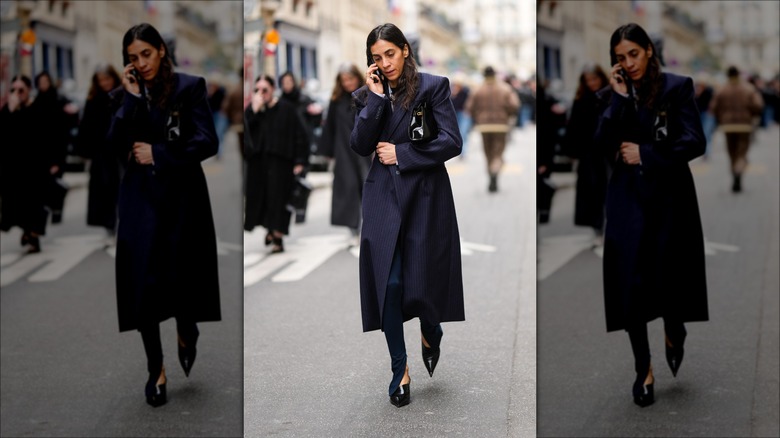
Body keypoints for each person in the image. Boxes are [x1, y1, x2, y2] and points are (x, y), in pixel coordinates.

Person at [107, 23, 221, 407]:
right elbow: (111, 147)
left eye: (146, 54)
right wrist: (131, 99)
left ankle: (187, 329)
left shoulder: (189, 87)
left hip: (182, 199)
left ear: (161, 51)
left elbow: (207, 140)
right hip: (140, 202)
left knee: (182, 277)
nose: (141, 63)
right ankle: (155, 368)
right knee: (143, 285)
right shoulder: (123, 95)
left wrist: (159, 153)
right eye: (133, 58)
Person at [350, 23, 464, 408]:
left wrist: (404, 155)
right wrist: (376, 99)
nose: (385, 63)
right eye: (376, 57)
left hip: (425, 195)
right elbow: (360, 144)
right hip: (383, 196)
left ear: (405, 51)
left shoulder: (433, 87)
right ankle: (400, 369)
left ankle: (431, 328)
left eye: (390, 54)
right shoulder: (367, 95)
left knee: (422, 280)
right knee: (391, 284)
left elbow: (451, 140)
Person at [595, 23, 708, 408]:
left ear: (648, 51)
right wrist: (620, 99)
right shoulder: (611, 95)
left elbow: (694, 140)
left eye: (634, 54)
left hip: (670, 197)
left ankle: (674, 330)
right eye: (620, 58)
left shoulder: (677, 88)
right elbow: (600, 146)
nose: (628, 63)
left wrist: (647, 154)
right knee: (630, 283)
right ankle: (643, 368)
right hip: (627, 200)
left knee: (671, 274)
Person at [243, 75, 309, 253]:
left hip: (282, 164)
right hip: (259, 165)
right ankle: (270, 230)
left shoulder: (286, 109)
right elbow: (246, 135)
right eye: (257, 90)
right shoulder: (254, 111)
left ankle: (278, 237)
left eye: (264, 89)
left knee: (280, 201)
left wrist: (300, 161)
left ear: (272, 89)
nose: (261, 94)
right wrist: (254, 112)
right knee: (264, 200)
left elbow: (300, 136)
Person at [318, 63, 371, 245]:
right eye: (344, 80)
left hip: (365, 149)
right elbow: (329, 127)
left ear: (358, 77)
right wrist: (327, 152)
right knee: (348, 188)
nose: (348, 83)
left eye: (351, 78)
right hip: (344, 150)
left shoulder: (368, 95)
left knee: (368, 186)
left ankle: (370, 227)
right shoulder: (336, 100)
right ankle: (353, 230)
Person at [0, 75, 49, 253]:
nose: (17, 94)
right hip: (14, 169)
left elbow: (40, 137)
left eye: (21, 90)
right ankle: (27, 232)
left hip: (35, 168)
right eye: (13, 90)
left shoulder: (37, 108)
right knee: (19, 205)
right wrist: (11, 111)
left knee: (36, 205)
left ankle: (34, 236)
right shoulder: (9, 110)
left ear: (29, 90)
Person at [77, 64, 123, 246]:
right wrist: (84, 150)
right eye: (101, 80)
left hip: (120, 152)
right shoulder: (93, 99)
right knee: (105, 193)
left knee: (123, 190)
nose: (105, 83)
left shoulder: (123, 94)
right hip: (101, 155)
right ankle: (110, 229)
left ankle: (125, 227)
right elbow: (86, 127)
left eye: (107, 79)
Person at [563, 64, 610, 244]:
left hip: (608, 153)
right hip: (588, 154)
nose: (592, 83)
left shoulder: (610, 96)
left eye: (594, 79)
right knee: (593, 193)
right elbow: (573, 126)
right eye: (588, 80)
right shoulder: (581, 99)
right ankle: (598, 230)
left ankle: (613, 227)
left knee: (610, 191)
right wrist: (572, 151)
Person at [709, 66, 764, 193]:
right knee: (742, 153)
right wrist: (751, 114)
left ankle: (734, 171)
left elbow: (713, 107)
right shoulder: (748, 88)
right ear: (739, 74)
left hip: (727, 126)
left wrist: (721, 117)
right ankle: (739, 171)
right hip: (745, 125)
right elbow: (758, 105)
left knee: (731, 153)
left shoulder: (722, 89)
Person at [465, 66, 520, 193]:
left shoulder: (477, 89)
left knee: (488, 153)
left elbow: (469, 107)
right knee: (498, 153)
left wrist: (477, 116)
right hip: (501, 125)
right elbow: (514, 105)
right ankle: (495, 171)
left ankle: (490, 174)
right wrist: (507, 114)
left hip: (483, 126)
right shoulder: (505, 88)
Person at [450, 73, 471, 158]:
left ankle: (463, 152)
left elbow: (469, 102)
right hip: (454, 114)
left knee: (463, 132)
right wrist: (453, 94)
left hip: (464, 114)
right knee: (456, 133)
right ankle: (458, 150)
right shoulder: (451, 90)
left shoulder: (466, 91)